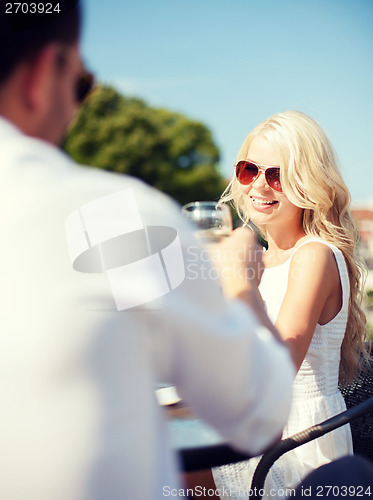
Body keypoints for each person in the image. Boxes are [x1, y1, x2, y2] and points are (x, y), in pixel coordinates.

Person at [0, 3, 295, 500]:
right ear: (41, 75)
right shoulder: (115, 217)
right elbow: (258, 414)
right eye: (80, 84)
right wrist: (241, 285)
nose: (78, 110)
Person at [212, 110, 371, 499]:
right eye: (250, 170)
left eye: (277, 175)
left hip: (298, 444)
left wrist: (239, 285)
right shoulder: (260, 260)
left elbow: (280, 367)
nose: (260, 186)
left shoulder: (314, 255)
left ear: (308, 183)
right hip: (253, 426)